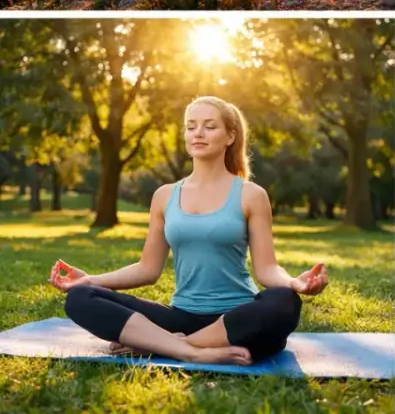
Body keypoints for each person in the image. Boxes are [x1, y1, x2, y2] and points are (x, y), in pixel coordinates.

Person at [48, 96, 328, 365]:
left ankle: (166, 344)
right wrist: (91, 280)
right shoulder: (164, 196)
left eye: (210, 126)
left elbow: (267, 270)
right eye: (191, 126)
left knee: (283, 302)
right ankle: (192, 351)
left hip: (237, 318)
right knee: (81, 298)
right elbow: (148, 269)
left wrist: (295, 284)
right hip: (180, 315)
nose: (198, 133)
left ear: (230, 136)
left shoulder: (251, 195)